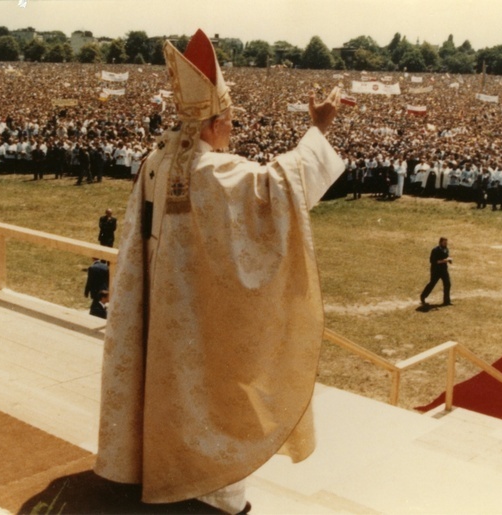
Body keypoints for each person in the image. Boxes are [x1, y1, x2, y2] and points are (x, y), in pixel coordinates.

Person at [94, 29, 344, 514]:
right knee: (209, 400)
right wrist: (321, 129)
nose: (231, 131)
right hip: (198, 320)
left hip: (157, 311)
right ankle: (209, 492)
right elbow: (280, 189)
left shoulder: (156, 162)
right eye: (229, 122)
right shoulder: (210, 171)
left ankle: (150, 469)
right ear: (213, 123)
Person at [420, 237, 452, 307]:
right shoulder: (435, 250)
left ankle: (447, 301)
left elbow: (446, 257)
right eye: (444, 242)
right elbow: (433, 261)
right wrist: (444, 261)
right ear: (440, 242)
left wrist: (449, 260)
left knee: (447, 284)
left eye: (446, 242)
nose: (445, 244)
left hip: (444, 270)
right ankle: (423, 296)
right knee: (432, 284)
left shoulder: (446, 249)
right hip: (436, 270)